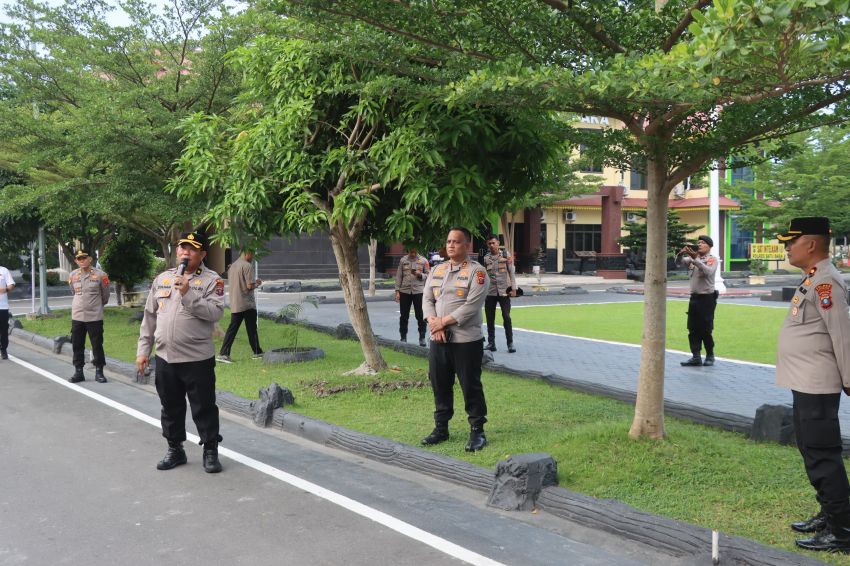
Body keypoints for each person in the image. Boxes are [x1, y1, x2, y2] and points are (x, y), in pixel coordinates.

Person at [775, 217, 850, 553]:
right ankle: (829, 514)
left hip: (818, 384)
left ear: (811, 244)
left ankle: (843, 531)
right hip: (805, 382)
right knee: (811, 450)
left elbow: (842, 335)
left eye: (792, 242)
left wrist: (849, 378)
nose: (787, 247)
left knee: (823, 456)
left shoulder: (826, 284)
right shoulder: (813, 279)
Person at [136, 230, 225, 473]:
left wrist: (188, 293)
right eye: (182, 247)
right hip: (165, 356)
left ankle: (210, 450)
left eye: (192, 248)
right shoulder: (163, 279)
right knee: (170, 406)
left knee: (203, 406)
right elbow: (150, 317)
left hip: (197, 358)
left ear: (202, 254)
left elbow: (215, 313)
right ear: (177, 251)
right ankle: (175, 449)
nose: (186, 252)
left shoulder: (211, 280)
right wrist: (143, 350)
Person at [421, 227, 490, 452]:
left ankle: (477, 431)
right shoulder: (437, 270)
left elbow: (472, 306)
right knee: (439, 383)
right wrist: (434, 323)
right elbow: (427, 299)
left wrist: (443, 322)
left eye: (456, 242)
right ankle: (441, 428)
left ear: (467, 245)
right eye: (449, 241)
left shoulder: (477, 273)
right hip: (438, 338)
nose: (451, 245)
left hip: (466, 341)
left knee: (470, 385)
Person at [67, 250, 111, 383]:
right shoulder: (73, 275)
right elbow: (73, 291)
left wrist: (96, 305)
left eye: (84, 258)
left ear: (90, 259)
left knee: (97, 344)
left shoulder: (100, 275)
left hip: (94, 316)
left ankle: (99, 372)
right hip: (78, 315)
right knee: (77, 344)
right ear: (76, 261)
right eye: (79, 259)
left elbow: (105, 295)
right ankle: (78, 372)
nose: (82, 260)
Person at [677, 235, 719, 366]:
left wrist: (695, 259)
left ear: (709, 246)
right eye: (698, 243)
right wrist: (680, 253)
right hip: (694, 298)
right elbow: (679, 263)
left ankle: (710, 355)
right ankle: (696, 356)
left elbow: (708, 272)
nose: (699, 245)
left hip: (707, 298)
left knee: (706, 329)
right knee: (693, 328)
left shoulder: (712, 260)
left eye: (702, 243)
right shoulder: (691, 259)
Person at [217, 249, 263, 363]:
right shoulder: (247, 266)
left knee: (232, 329)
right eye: (252, 254)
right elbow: (249, 286)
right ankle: (257, 352)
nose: (252, 257)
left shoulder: (232, 266)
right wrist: (257, 283)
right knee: (252, 329)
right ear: (248, 253)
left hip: (235, 302)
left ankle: (224, 353)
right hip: (247, 303)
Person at [482, 235, 517, 353]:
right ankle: (491, 343)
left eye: (493, 243)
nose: (491, 245)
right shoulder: (486, 258)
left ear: (498, 243)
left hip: (504, 292)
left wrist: (514, 288)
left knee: (506, 317)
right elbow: (483, 275)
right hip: (490, 292)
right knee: (490, 318)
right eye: (489, 243)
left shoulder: (506, 256)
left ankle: (510, 343)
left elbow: (511, 272)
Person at [394, 247, 430, 347]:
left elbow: (428, 274)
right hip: (405, 291)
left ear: (417, 251)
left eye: (414, 252)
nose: (412, 254)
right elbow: (399, 276)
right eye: (411, 252)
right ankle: (403, 337)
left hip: (419, 291)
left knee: (420, 315)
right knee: (404, 316)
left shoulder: (423, 260)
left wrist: (420, 275)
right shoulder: (403, 260)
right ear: (408, 251)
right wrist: (397, 291)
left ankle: (422, 338)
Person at [0, 263, 15, 360]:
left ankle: (3, 349)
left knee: (3, 330)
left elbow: (11, 284)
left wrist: (5, 289)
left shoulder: (3, 270)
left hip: (2, 306)